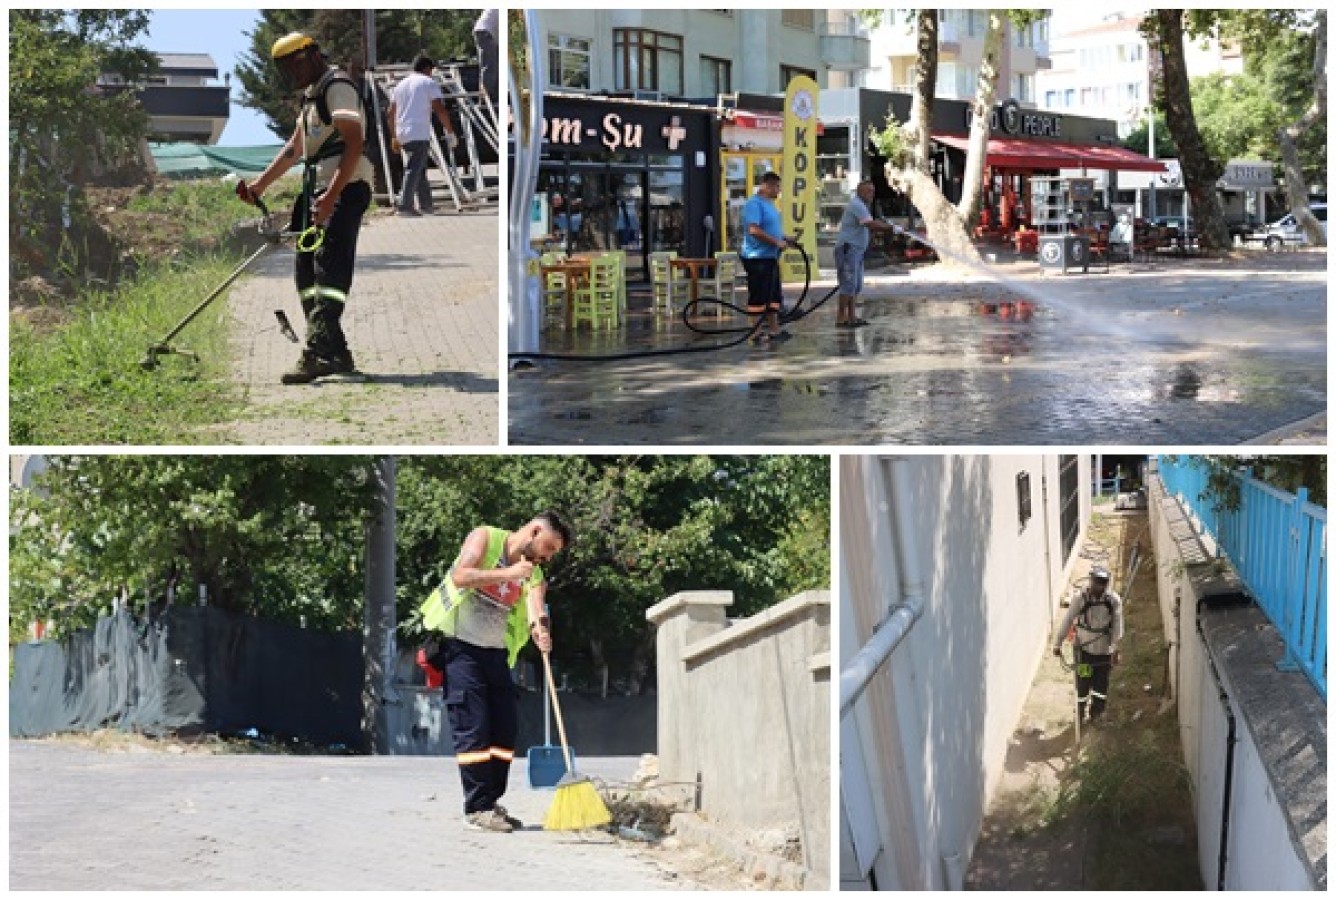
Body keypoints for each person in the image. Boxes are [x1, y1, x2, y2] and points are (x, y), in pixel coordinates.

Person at [417, 511, 574, 833]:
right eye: (548, 547)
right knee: (473, 729)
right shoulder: (486, 538)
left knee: (504, 731)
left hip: (497, 654)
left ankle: (490, 802)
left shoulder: (533, 573)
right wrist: (509, 573)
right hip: (461, 649)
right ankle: (477, 808)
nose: (548, 557)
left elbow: (536, 608)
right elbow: (461, 576)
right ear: (534, 531)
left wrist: (541, 630)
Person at [238, 32, 373, 384]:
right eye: (285, 69)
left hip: (345, 189)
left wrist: (331, 197)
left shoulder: (337, 88)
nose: (292, 73)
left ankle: (316, 352)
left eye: (295, 65)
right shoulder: (313, 97)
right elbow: (294, 150)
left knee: (329, 271)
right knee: (306, 274)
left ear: (313, 55)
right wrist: (259, 186)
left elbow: (354, 142)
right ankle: (336, 352)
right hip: (317, 191)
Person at [386, 54, 459, 216]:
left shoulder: (400, 85)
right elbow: (439, 109)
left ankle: (426, 205)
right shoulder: (428, 83)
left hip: (403, 132)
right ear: (427, 69)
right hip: (418, 132)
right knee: (414, 169)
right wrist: (450, 131)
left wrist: (394, 136)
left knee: (419, 169)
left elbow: (390, 113)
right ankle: (404, 206)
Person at [1052, 567, 1124, 725]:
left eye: (1103, 584)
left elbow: (1117, 626)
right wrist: (1058, 643)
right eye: (1097, 583)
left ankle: (1096, 714)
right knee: (1083, 683)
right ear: (1091, 581)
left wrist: (1115, 649)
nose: (1099, 587)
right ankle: (1080, 712)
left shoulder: (1113, 601)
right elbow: (1068, 620)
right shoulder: (1080, 598)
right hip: (1084, 652)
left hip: (1104, 653)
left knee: (1101, 686)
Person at [834, 179, 897, 328]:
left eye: (873, 191)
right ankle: (841, 318)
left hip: (856, 251)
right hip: (848, 250)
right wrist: (891, 228)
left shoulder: (862, 206)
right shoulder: (857, 205)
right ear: (859, 191)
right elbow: (871, 224)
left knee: (855, 286)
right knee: (848, 285)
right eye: (868, 191)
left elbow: (867, 226)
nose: (872, 194)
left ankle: (852, 317)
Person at [740, 171, 793, 345]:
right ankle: (756, 333)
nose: (779, 190)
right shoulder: (754, 204)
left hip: (770, 257)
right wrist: (776, 242)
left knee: (773, 295)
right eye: (777, 186)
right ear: (767, 186)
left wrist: (784, 238)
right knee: (759, 295)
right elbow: (753, 230)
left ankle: (774, 330)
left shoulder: (770, 204)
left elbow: (770, 228)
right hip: (757, 258)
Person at [474, 9, 500, 108]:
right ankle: (486, 99)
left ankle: (493, 96)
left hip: (485, 31)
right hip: (485, 32)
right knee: (490, 66)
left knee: (494, 66)